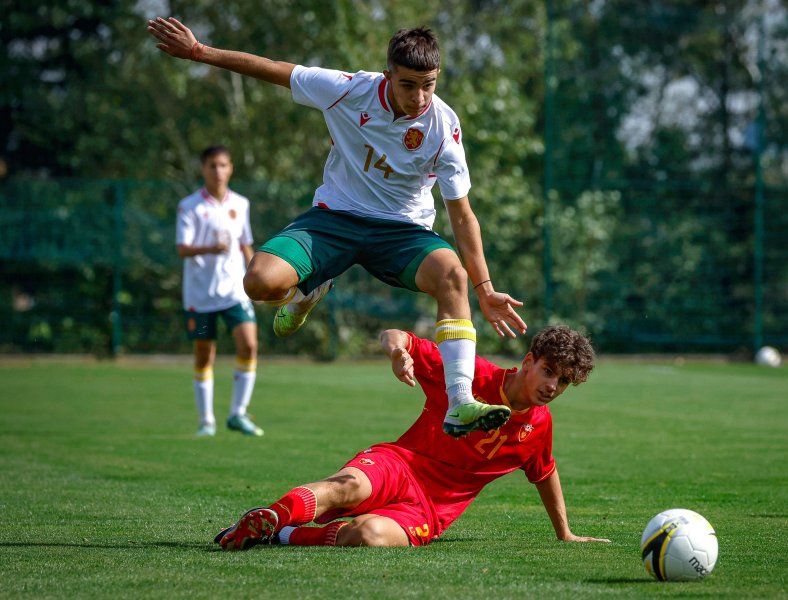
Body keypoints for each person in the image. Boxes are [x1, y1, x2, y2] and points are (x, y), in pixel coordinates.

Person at [147, 18, 526, 437]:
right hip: (334, 218)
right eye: (408, 84)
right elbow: (273, 68)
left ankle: (460, 403)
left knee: (454, 274)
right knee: (258, 281)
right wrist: (201, 52)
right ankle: (306, 293)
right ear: (388, 76)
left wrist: (484, 288)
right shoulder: (349, 90)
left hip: (401, 231)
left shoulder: (443, 130)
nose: (419, 97)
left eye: (429, 85)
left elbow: (462, 214)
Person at [214, 325, 610, 549]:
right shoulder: (469, 373)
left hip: (430, 511)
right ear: (528, 362)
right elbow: (395, 334)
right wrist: (396, 353)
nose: (553, 386)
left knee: (368, 535)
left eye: (564, 382)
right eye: (549, 372)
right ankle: (269, 516)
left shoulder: (539, 425)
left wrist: (566, 533)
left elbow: (544, 473)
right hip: (400, 464)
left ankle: (282, 534)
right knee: (348, 488)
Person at [176, 145, 263, 437]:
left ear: (231, 168)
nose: (218, 171)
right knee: (204, 354)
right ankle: (207, 421)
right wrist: (210, 248)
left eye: (223, 165)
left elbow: (245, 245)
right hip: (200, 297)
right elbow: (182, 248)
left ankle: (238, 413)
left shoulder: (241, 203)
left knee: (249, 344)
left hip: (234, 292)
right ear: (204, 169)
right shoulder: (190, 206)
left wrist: (258, 279)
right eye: (212, 165)